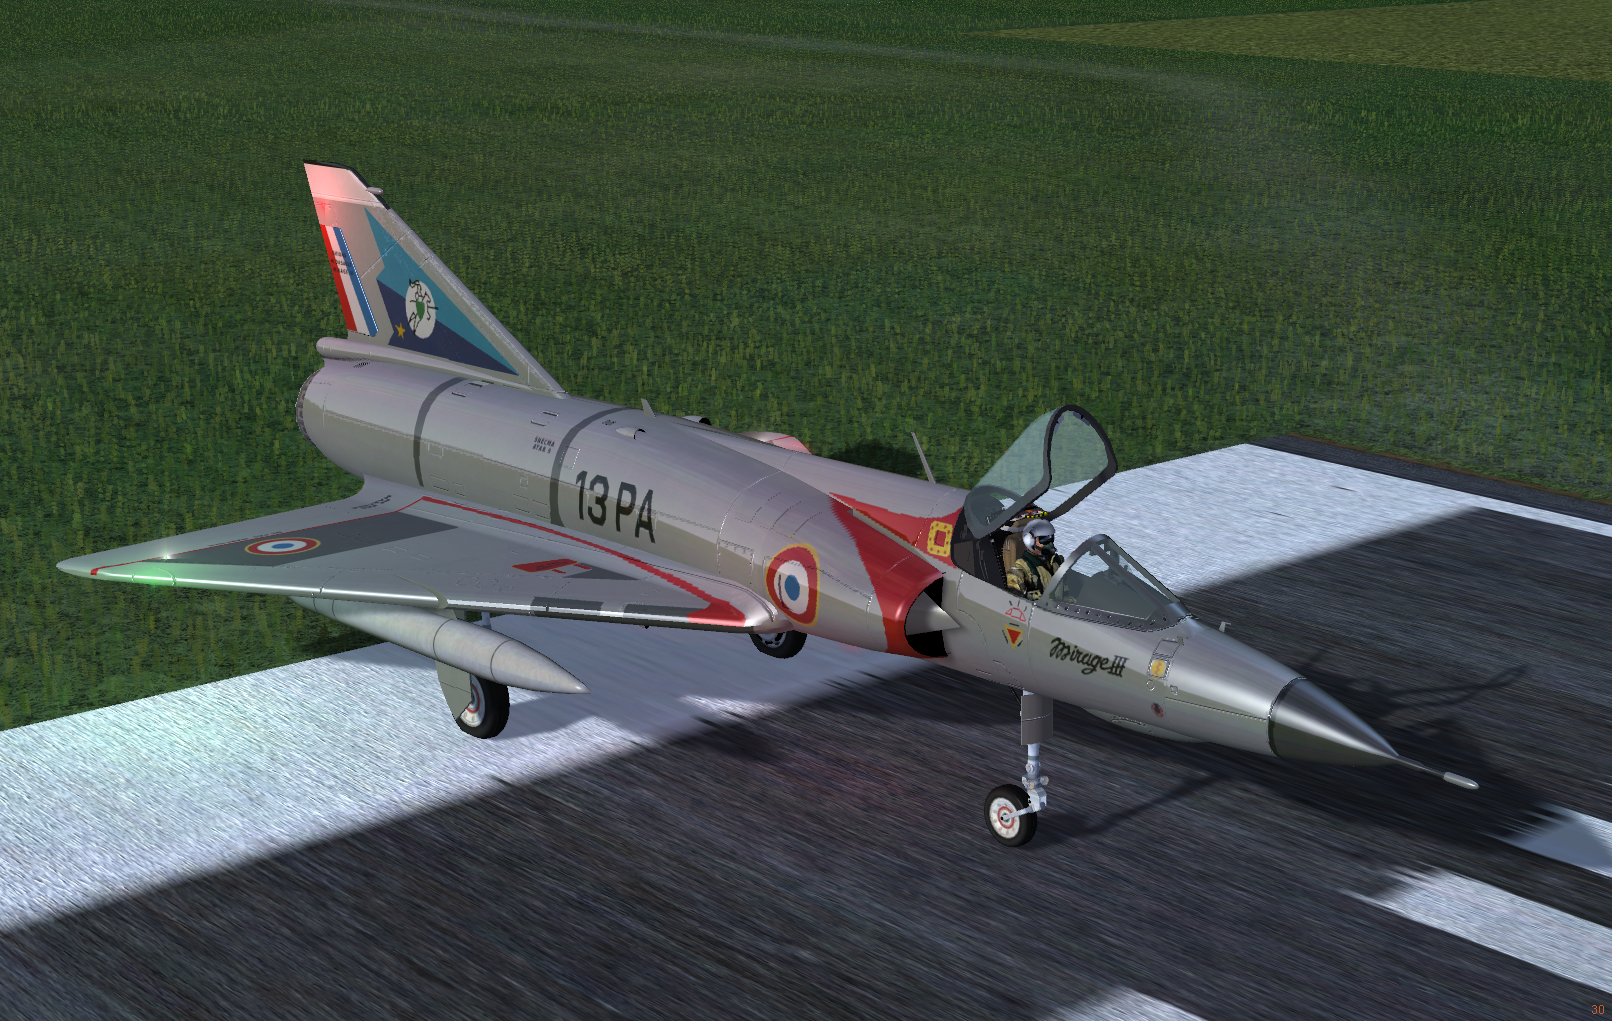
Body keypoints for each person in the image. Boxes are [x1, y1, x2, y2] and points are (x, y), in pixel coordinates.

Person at [1006, 518, 1062, 599]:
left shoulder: (1057, 561)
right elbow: (1014, 600)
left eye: (1050, 537)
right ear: (1030, 540)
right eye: (1044, 539)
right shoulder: (1020, 568)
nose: (1049, 542)